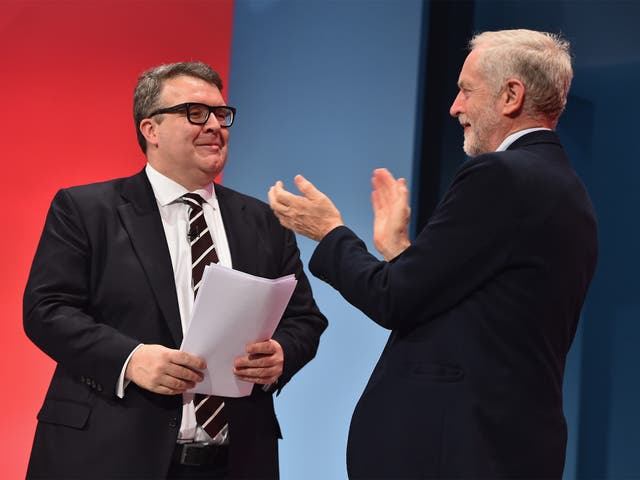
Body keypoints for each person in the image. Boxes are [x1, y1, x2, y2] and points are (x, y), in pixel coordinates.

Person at [268, 29, 597, 479]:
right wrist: (398, 249)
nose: (455, 107)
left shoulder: (500, 175)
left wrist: (328, 232)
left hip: (455, 452)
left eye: (465, 90)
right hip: (504, 445)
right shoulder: (565, 187)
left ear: (510, 95)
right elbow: (470, 308)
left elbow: (393, 299)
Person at [23, 61, 327, 479]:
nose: (214, 126)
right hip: (109, 455)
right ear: (151, 130)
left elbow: (303, 318)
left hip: (235, 460)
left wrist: (281, 355)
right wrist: (131, 359)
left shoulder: (262, 220)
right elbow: (47, 310)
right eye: (195, 113)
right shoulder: (86, 210)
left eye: (222, 115)